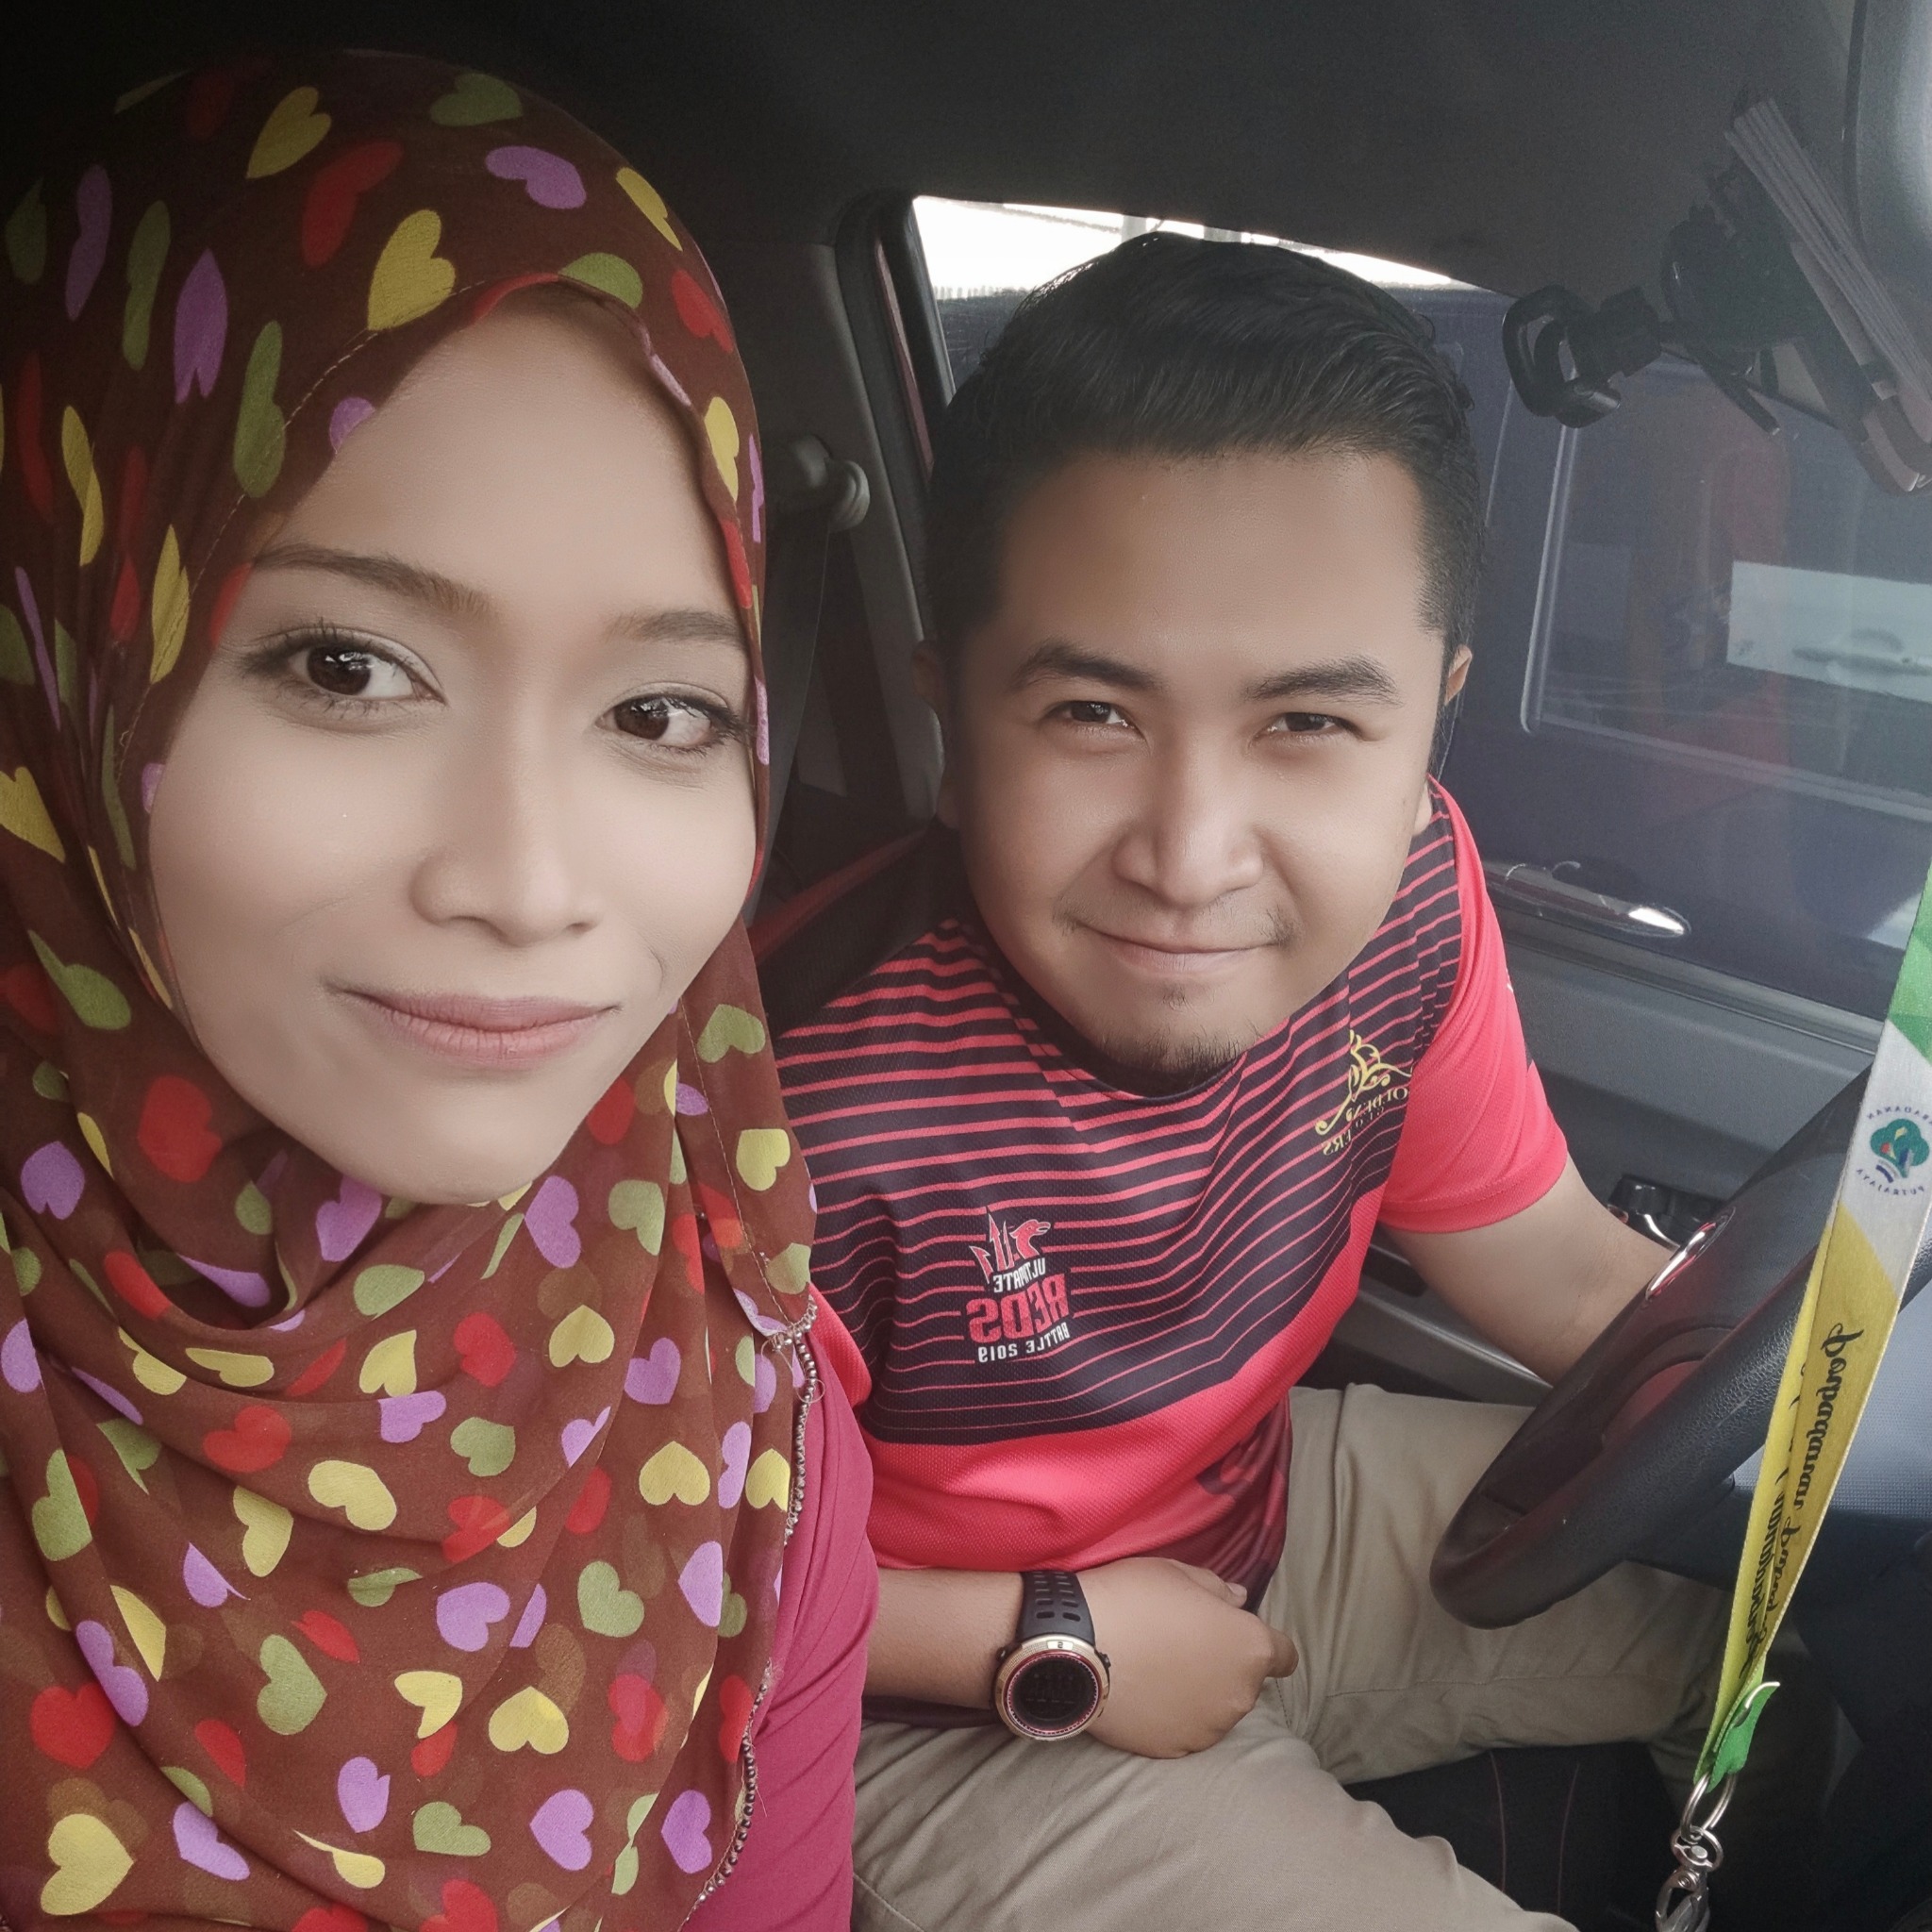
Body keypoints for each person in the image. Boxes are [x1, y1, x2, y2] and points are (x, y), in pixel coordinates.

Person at [756, 236, 1725, 1929]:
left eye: (1308, 726)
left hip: (1268, 1511)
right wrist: (1055, 1637)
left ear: (1433, 724)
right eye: (1090, 713)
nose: (1192, 859)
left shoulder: (1415, 895)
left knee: (1799, 1624)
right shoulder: (787, 1098)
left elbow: (1557, 1268)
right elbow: (664, 1585)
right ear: (951, 716)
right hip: (915, 1690)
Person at [0, 53, 873, 1932]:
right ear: (66, 647)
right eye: (347, 667)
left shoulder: (734, 1376)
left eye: (661, 711)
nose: (529, 883)